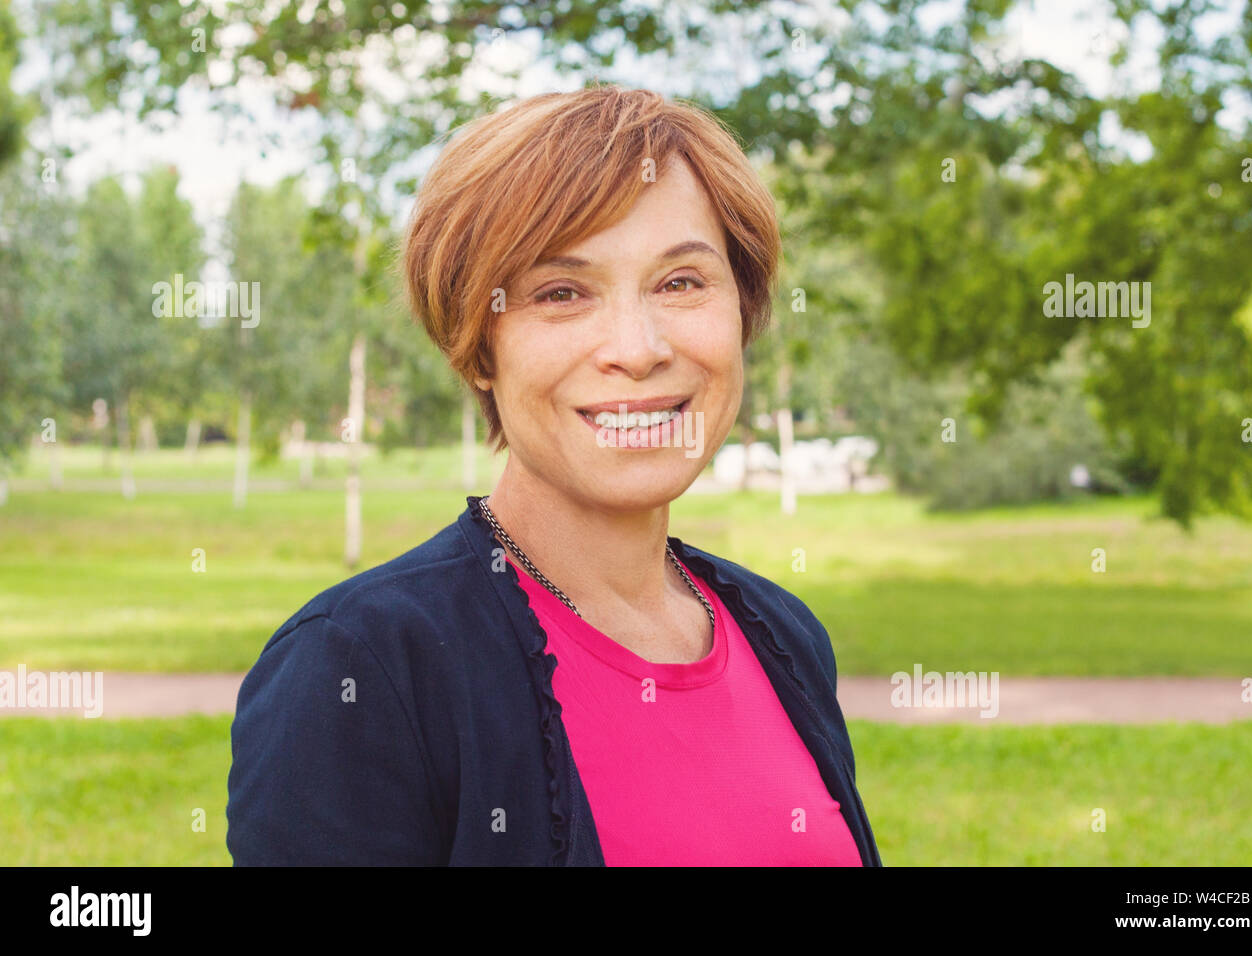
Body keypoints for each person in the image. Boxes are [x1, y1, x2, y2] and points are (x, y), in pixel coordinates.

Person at [226, 84, 883, 866]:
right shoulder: (361, 667)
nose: (637, 349)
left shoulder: (785, 635)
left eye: (681, 282)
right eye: (561, 293)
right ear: (477, 346)